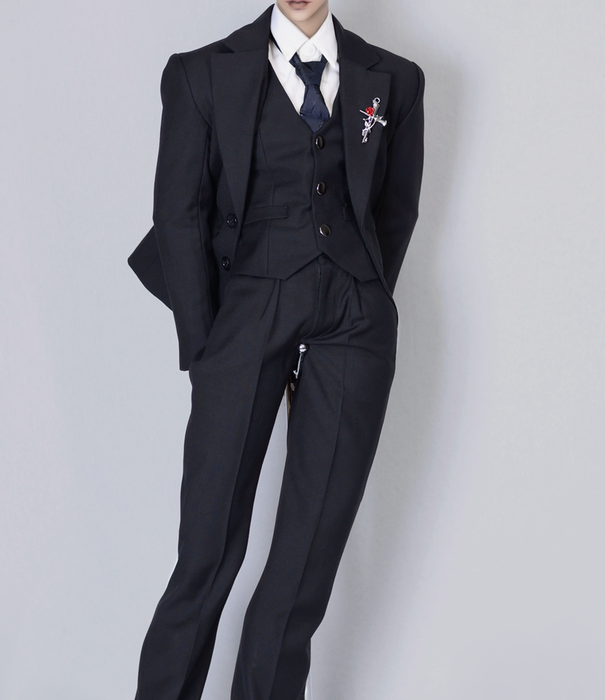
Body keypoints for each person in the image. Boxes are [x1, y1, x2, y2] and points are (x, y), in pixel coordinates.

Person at [127, 1, 425, 698]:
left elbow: (396, 210)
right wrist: (208, 350)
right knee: (205, 558)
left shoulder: (396, 80)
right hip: (246, 314)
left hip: (354, 321)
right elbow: (178, 212)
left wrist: (363, 296)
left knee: (303, 569)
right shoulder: (201, 74)